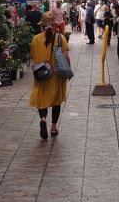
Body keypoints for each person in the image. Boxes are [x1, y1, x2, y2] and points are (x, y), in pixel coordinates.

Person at [29, 11, 69, 140]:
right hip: (56, 74)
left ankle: (43, 119)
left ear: (42, 26)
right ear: (54, 26)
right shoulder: (60, 38)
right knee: (56, 101)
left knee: (42, 100)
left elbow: (33, 56)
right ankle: (53, 127)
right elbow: (66, 56)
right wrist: (67, 70)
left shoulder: (35, 39)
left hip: (41, 74)